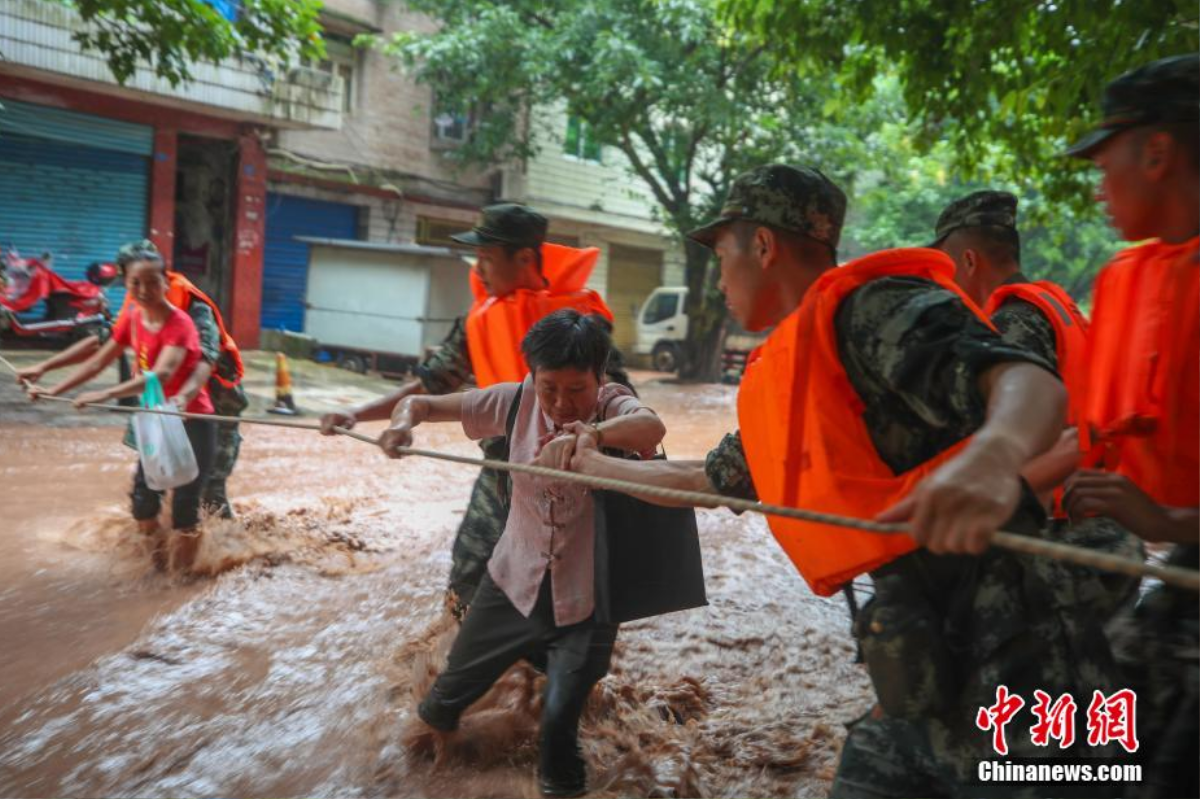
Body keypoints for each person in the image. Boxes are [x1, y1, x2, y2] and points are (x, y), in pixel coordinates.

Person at [572, 164, 1122, 796]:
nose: (718, 279)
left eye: (722, 255)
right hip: (922, 657)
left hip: (1027, 659)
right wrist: (594, 467)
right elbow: (707, 478)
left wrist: (992, 458)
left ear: (763, 245)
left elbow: (1027, 382)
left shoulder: (871, 306)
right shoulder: (798, 370)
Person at [380, 310, 665, 798]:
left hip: (588, 603)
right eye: (548, 386)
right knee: (438, 712)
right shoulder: (514, 403)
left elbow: (650, 428)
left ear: (601, 378)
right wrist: (401, 425)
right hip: (510, 587)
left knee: (558, 735)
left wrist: (592, 436)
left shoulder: (613, 404)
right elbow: (423, 405)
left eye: (576, 390)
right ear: (533, 376)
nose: (559, 403)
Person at [319, 203, 625, 618]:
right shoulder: (478, 319)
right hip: (500, 473)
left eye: (486, 259)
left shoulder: (581, 324)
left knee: (561, 594)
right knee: (468, 574)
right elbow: (431, 384)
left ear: (523, 258)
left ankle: (541, 671)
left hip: (567, 477)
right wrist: (356, 412)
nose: (478, 271)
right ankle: (459, 665)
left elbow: (621, 400)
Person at [1060, 53, 1199, 798]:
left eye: (1104, 157)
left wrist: (1165, 515)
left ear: (1156, 151)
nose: (1098, 181)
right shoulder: (1151, 278)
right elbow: (1090, 433)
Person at [932, 190, 1141, 612]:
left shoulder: (1009, 325)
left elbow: (1017, 441)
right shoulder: (1058, 307)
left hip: (1060, 536)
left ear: (969, 262)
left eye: (947, 270)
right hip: (1105, 524)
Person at [17, 240, 247, 518]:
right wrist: (45, 369)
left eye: (148, 278)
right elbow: (102, 345)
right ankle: (155, 543)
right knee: (150, 485)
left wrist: (184, 396)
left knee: (210, 491)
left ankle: (222, 550)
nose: (139, 287)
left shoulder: (190, 304)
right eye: (130, 278)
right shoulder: (136, 301)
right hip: (160, 395)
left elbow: (205, 360)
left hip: (211, 399)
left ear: (161, 275)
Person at [27, 247, 217, 572]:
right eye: (135, 284)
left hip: (193, 420)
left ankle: (184, 579)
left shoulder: (182, 322)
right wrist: (53, 388)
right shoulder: (131, 317)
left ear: (166, 282)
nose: (144, 291)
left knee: (185, 507)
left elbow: (162, 373)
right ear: (126, 284)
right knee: (144, 504)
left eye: (152, 283)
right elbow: (100, 359)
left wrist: (106, 394)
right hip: (156, 421)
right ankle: (158, 570)